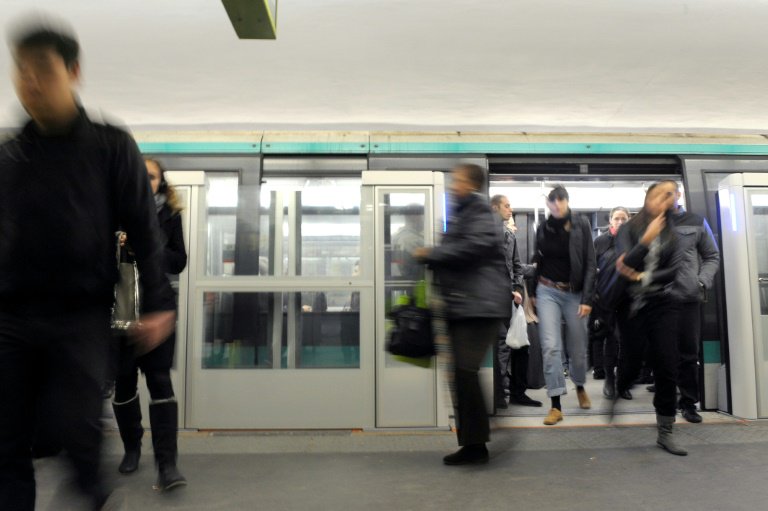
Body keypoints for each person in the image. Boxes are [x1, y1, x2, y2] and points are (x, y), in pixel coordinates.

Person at [0, 17, 176, 510]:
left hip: (80, 314)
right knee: (7, 439)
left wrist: (158, 303)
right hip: (11, 315)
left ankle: (95, 496)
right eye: (20, 70)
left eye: (42, 70)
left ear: (72, 71)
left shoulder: (109, 147)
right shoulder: (10, 157)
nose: (29, 82)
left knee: (76, 430)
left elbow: (145, 230)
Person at [413, 164, 510, 465]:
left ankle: (476, 445)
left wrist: (432, 254)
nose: (453, 186)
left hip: (479, 307)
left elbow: (473, 248)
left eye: (458, 181)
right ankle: (473, 442)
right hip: (467, 305)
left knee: (465, 372)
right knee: (460, 374)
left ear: (472, 185)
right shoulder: (464, 214)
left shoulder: (480, 212)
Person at [112, 159, 188, 490]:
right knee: (124, 382)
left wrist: (148, 241)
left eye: (152, 176)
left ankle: (167, 465)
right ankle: (132, 448)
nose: (145, 181)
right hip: (119, 309)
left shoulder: (169, 216)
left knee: (159, 382)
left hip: (157, 308)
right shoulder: (109, 212)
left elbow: (179, 261)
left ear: (161, 183)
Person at [614, 181, 687, 455]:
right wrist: (645, 241)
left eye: (668, 196)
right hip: (632, 304)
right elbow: (624, 265)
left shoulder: (673, 234)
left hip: (663, 302)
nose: (663, 200)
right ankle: (621, 384)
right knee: (632, 362)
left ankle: (665, 430)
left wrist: (643, 276)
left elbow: (673, 271)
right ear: (647, 198)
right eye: (658, 195)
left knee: (668, 364)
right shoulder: (628, 229)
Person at [532, 185, 596, 425]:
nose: (557, 204)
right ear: (548, 204)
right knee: (550, 347)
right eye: (553, 201)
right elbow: (538, 259)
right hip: (547, 289)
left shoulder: (581, 225)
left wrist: (588, 299)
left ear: (567, 202)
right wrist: (531, 291)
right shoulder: (543, 227)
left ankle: (579, 384)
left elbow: (590, 263)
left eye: (561, 200)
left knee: (578, 349)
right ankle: (556, 404)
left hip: (574, 293)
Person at [669, 188, 720, 423]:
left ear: (678, 194)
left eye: (669, 193)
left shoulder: (696, 222)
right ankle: (665, 404)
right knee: (661, 354)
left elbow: (712, 255)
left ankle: (688, 403)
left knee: (689, 353)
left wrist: (701, 281)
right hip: (658, 300)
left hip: (688, 298)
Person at [490, 194, 541, 408]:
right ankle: (501, 394)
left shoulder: (509, 235)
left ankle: (517, 391)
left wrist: (517, 288)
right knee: (503, 346)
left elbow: (516, 266)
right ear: (495, 208)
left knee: (521, 345)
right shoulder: (488, 234)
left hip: (512, 299)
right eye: (506, 206)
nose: (510, 209)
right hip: (495, 299)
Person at [589, 206, 630, 399]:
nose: (620, 222)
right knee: (611, 340)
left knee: (627, 342)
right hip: (605, 299)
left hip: (628, 298)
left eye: (624, 219)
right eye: (617, 219)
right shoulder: (599, 242)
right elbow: (591, 271)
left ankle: (623, 383)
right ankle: (609, 382)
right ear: (610, 221)